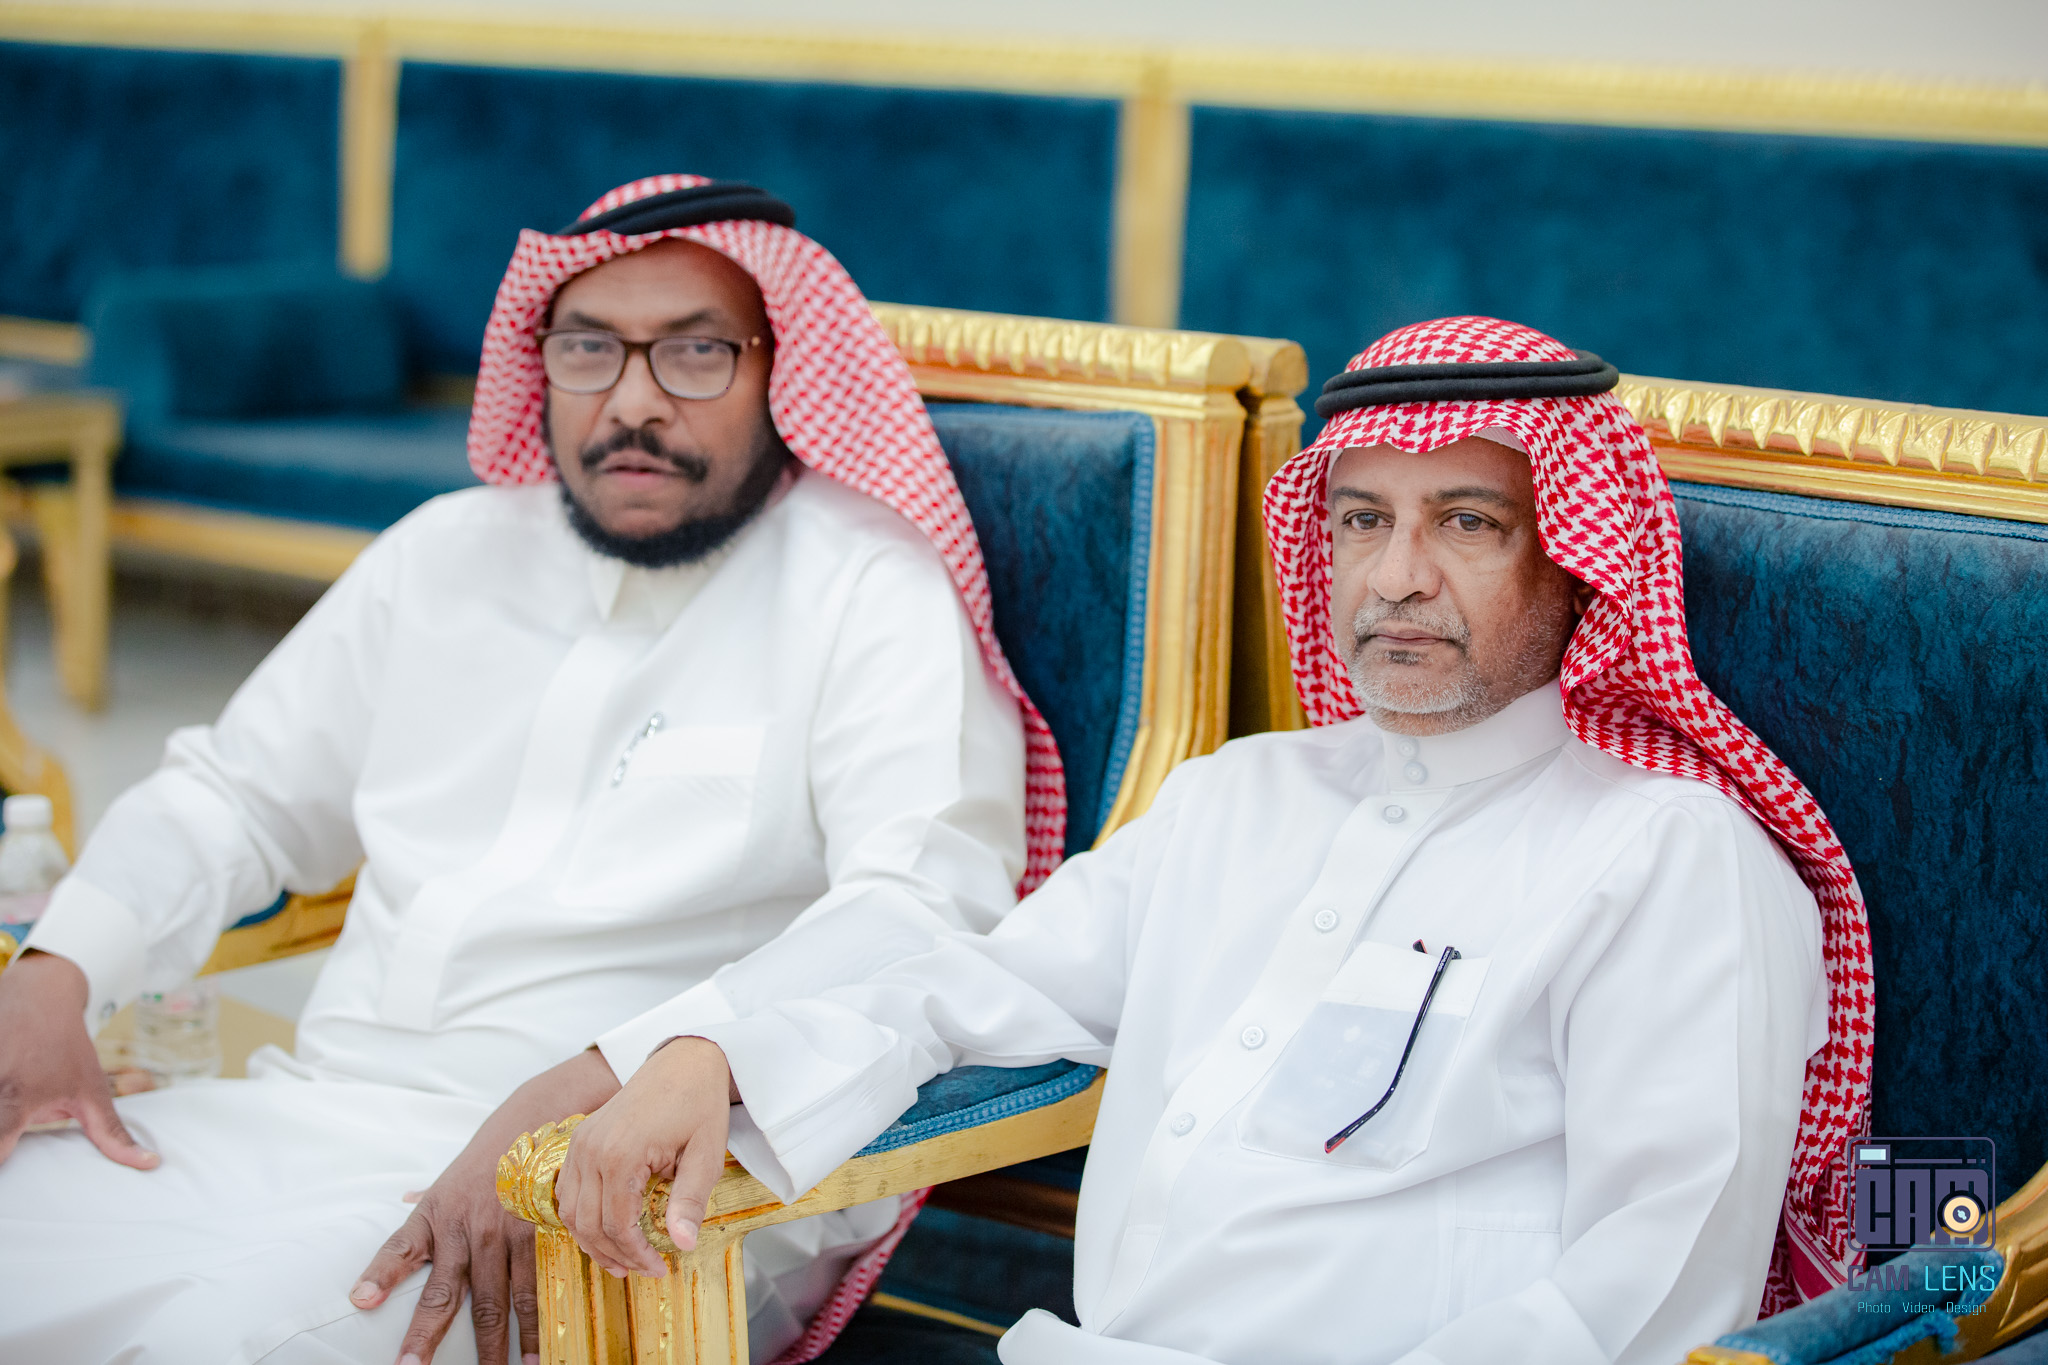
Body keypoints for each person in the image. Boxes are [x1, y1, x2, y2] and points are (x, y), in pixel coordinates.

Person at [552, 316, 1875, 1364]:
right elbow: (974, 989)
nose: (1396, 577)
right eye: (1363, 521)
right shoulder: (1237, 798)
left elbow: (1647, 1289)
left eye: (1467, 522)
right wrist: (718, 1056)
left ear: (1578, 560)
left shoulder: (1667, 856)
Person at [0, 174, 1067, 1365]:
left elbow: (922, 903)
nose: (633, 401)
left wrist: (603, 1088)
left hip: (630, 1193)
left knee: (222, 1342)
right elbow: (232, 797)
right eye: (589, 349)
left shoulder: (864, 586)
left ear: (783, 372)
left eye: (696, 353)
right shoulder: (441, 555)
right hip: (304, 1116)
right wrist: (57, 971)